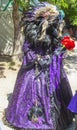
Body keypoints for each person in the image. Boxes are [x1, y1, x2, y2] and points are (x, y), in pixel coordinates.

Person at [5, 2, 75, 130]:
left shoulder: (53, 29)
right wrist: (38, 59)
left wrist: (62, 49)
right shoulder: (33, 31)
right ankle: (34, 121)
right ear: (43, 16)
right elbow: (27, 48)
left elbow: (58, 44)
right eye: (48, 16)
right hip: (35, 68)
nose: (51, 19)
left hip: (51, 68)